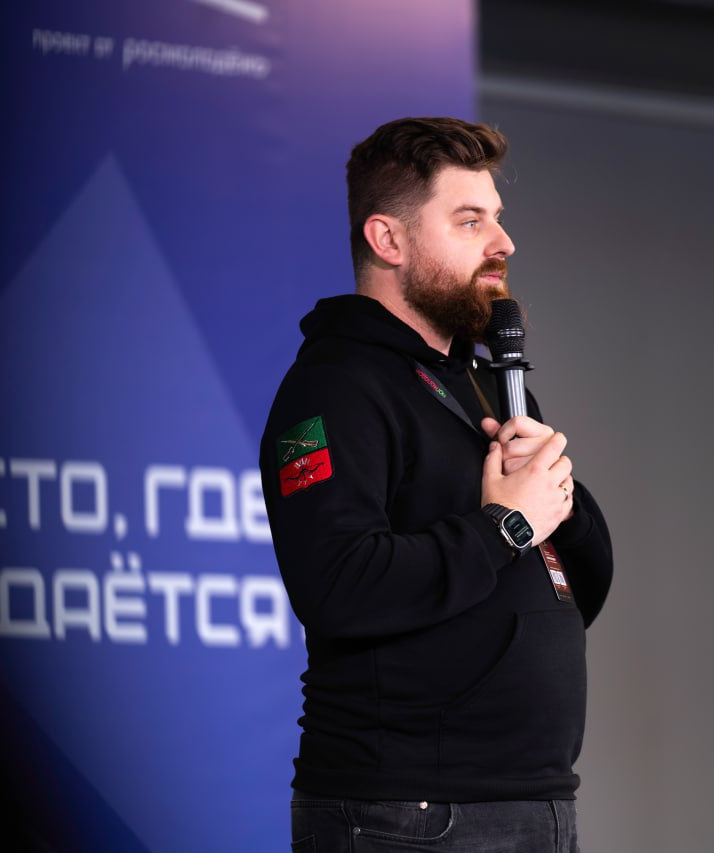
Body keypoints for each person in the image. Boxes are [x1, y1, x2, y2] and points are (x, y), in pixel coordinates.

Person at [259, 116, 614, 852]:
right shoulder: (332, 388)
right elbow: (338, 585)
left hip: (537, 802)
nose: (503, 242)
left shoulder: (490, 386)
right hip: (408, 815)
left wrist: (564, 504)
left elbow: (575, 591)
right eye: (470, 220)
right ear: (388, 240)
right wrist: (505, 526)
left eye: (498, 218)